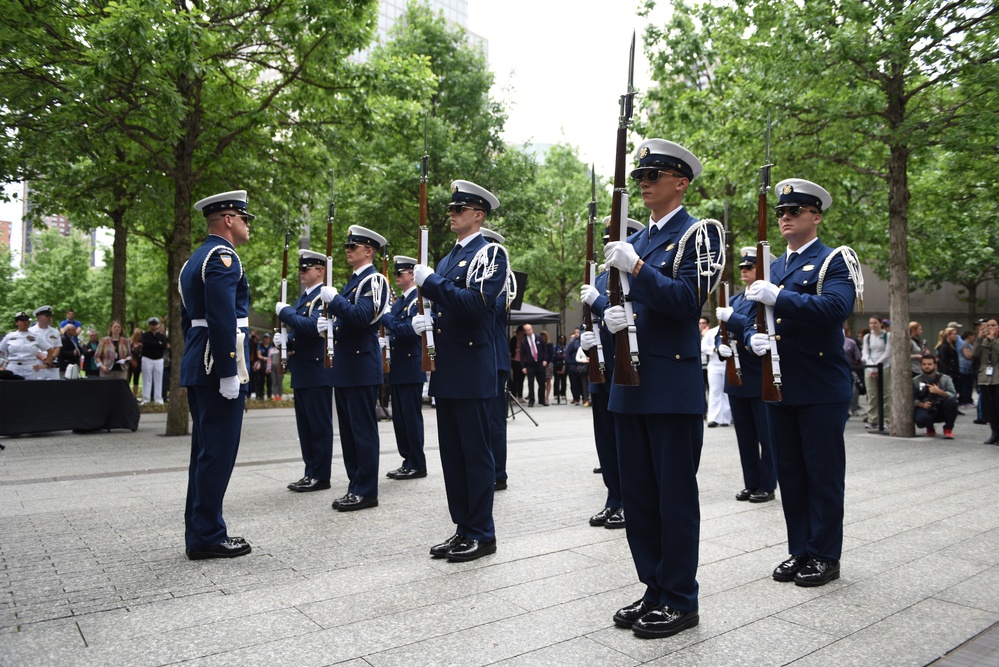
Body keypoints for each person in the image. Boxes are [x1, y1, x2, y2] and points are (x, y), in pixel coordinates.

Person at [599, 139, 721, 638]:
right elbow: (638, 305)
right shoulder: (640, 239)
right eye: (642, 174)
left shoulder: (699, 234)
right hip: (631, 384)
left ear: (681, 181)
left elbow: (687, 300)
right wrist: (609, 319)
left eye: (656, 173)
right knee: (640, 497)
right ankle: (653, 586)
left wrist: (638, 270)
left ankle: (680, 597)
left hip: (670, 384)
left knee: (673, 496)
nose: (645, 181)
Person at [745, 177, 861, 588]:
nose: (785, 218)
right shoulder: (774, 266)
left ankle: (826, 555)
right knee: (791, 473)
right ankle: (800, 549)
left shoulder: (835, 261)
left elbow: (834, 308)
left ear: (816, 216)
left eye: (794, 211)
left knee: (822, 473)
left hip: (819, 386)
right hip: (779, 386)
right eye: (781, 213)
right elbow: (747, 317)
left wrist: (779, 297)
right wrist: (750, 337)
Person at [411, 179, 507, 563]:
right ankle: (462, 527)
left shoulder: (492, 255)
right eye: (451, 210)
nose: (451, 215)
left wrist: (431, 283)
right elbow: (448, 307)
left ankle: (483, 532)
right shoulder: (450, 257)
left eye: (459, 210)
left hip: (473, 368)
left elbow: (477, 304)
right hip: (449, 369)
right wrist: (428, 322)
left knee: (475, 455)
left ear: (478, 215)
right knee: (452, 456)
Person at [179, 189, 254, 560]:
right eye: (244, 218)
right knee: (217, 454)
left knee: (205, 452)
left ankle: (200, 531)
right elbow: (223, 317)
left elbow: (187, 321)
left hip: (199, 360)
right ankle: (208, 534)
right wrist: (227, 370)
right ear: (228, 219)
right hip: (217, 365)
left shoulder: (194, 258)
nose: (247, 225)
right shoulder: (224, 257)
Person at [579, 215, 645, 531]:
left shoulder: (633, 276)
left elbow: (632, 313)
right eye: (606, 240)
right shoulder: (603, 278)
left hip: (624, 369)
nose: (609, 245)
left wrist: (599, 302)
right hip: (601, 370)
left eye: (614, 240)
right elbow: (589, 322)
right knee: (605, 442)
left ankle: (628, 503)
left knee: (624, 445)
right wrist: (585, 340)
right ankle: (613, 499)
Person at [320, 226, 389, 512]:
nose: (348, 251)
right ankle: (354, 486)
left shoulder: (374, 281)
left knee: (362, 431)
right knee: (348, 433)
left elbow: (362, 317)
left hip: (361, 366)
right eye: (347, 247)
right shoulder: (354, 281)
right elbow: (349, 321)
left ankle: (367, 491)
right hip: (348, 366)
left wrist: (334, 300)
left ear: (369, 251)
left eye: (353, 247)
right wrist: (331, 327)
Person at [715, 246, 777, 503]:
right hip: (737, 378)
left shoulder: (765, 299)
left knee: (766, 436)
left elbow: (757, 328)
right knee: (745, 437)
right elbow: (723, 331)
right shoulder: (734, 300)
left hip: (759, 375)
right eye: (742, 268)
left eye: (749, 267)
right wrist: (721, 347)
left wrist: (734, 320)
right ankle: (751, 483)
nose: (744, 272)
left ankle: (767, 484)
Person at [276, 249, 336, 494]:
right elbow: (299, 333)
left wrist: (286, 312)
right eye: (300, 269)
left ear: (320, 271)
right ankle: (310, 471)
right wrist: (286, 341)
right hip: (302, 370)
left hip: (317, 370)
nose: (301, 273)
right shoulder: (304, 299)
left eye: (305, 269)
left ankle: (321, 475)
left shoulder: (323, 297)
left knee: (319, 426)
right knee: (305, 427)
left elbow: (313, 328)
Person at [381, 255, 428, 481]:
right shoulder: (400, 302)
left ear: (411, 274)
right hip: (399, 367)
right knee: (399, 418)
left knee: (410, 417)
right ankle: (407, 459)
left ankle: (417, 463)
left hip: (411, 366)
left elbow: (409, 331)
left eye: (400, 273)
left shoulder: (417, 300)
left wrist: (388, 320)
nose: (397, 277)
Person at [480, 227, 512, 491]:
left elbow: (492, 310)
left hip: (494, 357)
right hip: (480, 356)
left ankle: (498, 473)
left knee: (493, 420)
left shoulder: (502, 281)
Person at [912, 354, 958, 439]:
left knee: (952, 402)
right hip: (926, 407)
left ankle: (948, 429)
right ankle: (929, 426)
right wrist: (922, 404)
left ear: (935, 365)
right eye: (924, 364)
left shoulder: (945, 378)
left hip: (941, 407)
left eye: (929, 364)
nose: (926, 367)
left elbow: (953, 395)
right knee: (921, 420)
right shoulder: (915, 381)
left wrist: (939, 392)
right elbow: (911, 399)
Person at [972, 317, 999, 445]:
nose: (989, 328)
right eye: (987, 325)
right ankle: (994, 433)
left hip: (997, 378)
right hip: (984, 378)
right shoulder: (983, 340)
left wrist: (993, 340)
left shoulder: (995, 341)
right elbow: (974, 354)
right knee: (990, 408)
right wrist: (979, 338)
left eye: (993, 325)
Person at [0, 311, 51, 380]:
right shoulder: (10, 336)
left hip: (30, 367)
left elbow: (50, 350)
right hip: (13, 366)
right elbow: (0, 350)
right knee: (13, 389)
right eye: (22, 320)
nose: (24, 322)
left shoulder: (35, 336)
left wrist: (45, 365)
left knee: (30, 389)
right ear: (17, 322)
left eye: (26, 320)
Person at [861, 315, 891, 428]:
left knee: (886, 394)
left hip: (884, 366)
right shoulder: (867, 337)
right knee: (872, 394)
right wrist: (871, 366)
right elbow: (865, 352)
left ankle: (886, 419)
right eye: (871, 323)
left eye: (875, 323)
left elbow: (888, 353)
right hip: (870, 367)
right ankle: (873, 419)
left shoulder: (887, 336)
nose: (873, 325)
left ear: (880, 324)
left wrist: (878, 365)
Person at [701, 322, 731, 427]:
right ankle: (713, 418)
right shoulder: (711, 332)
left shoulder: (731, 329)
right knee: (714, 391)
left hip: (727, 364)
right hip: (714, 364)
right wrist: (714, 349)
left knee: (726, 392)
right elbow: (703, 346)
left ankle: (725, 419)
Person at [28, 306, 62, 380]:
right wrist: (44, 358)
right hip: (38, 363)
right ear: (39, 317)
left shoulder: (55, 331)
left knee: (54, 388)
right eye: (47, 316)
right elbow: (30, 348)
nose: (49, 318)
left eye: (50, 316)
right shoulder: (30, 332)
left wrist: (51, 358)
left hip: (52, 363)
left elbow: (58, 347)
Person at [141, 317, 169, 404]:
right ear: (149, 325)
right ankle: (146, 398)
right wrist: (157, 343)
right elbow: (146, 345)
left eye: (155, 325)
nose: (154, 326)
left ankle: (158, 398)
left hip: (158, 359)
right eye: (152, 325)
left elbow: (165, 346)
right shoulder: (145, 335)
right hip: (147, 359)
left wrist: (156, 344)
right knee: (147, 379)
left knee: (158, 379)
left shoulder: (161, 336)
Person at [519, 323, 548, 407]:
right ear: (525, 332)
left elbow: (544, 349)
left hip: (539, 363)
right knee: (530, 383)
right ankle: (531, 400)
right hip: (530, 364)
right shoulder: (524, 341)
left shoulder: (539, 338)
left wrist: (545, 359)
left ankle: (541, 399)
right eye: (527, 330)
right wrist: (523, 366)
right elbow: (522, 354)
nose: (529, 332)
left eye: (530, 329)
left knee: (542, 382)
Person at [843, 324, 863, 417]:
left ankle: (847, 409)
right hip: (850, 368)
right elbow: (858, 358)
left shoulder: (851, 342)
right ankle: (853, 408)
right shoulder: (851, 342)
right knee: (853, 389)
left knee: (851, 389)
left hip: (845, 368)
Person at [957, 330, 975, 409]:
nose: (974, 338)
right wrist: (974, 355)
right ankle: (964, 401)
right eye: (973, 336)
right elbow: (968, 355)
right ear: (969, 336)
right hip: (964, 367)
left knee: (968, 385)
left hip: (969, 367)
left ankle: (967, 400)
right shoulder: (965, 344)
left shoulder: (969, 344)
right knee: (965, 385)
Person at [509, 325, 525, 399]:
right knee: (515, 378)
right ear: (518, 332)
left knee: (521, 379)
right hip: (515, 360)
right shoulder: (513, 339)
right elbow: (511, 349)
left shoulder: (525, 339)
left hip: (523, 361)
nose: (522, 334)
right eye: (521, 332)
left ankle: (520, 395)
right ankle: (514, 394)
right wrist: (517, 350)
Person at [128, 327, 144, 398]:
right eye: (138, 335)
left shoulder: (142, 343)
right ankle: (127, 394)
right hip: (130, 362)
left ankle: (134, 395)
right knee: (128, 378)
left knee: (136, 379)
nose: (139, 336)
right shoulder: (129, 342)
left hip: (139, 362)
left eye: (140, 335)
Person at [267, 333, 283, 401]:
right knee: (274, 382)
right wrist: (268, 368)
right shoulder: (271, 350)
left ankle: (280, 395)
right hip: (272, 367)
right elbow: (269, 360)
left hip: (280, 368)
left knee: (279, 382)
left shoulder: (282, 350)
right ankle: (275, 395)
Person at [258, 332, 274, 400]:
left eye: (268, 338)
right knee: (261, 381)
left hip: (270, 365)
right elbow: (258, 355)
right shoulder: (260, 346)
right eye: (265, 338)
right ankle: (260, 395)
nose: (266, 339)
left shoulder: (271, 346)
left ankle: (269, 395)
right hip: (262, 365)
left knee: (269, 381)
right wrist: (264, 358)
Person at [552, 334, 567, 404]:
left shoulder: (565, 347)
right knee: (557, 380)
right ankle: (556, 393)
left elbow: (566, 355)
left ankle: (563, 393)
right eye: (560, 339)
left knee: (564, 380)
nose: (561, 340)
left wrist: (563, 355)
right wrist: (558, 355)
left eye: (563, 339)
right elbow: (553, 356)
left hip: (564, 364)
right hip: (557, 364)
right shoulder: (555, 347)